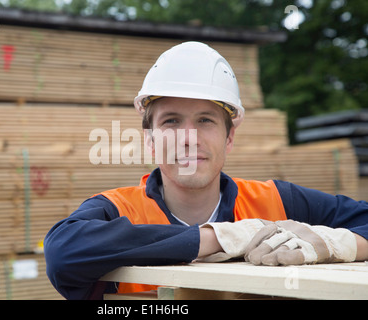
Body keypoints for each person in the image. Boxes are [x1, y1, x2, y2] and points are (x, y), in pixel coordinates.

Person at [44, 41, 368, 300]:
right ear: (151, 140)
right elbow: (62, 253)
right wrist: (221, 238)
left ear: (229, 138)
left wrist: (334, 243)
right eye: (171, 121)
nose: (189, 138)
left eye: (205, 120)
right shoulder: (117, 209)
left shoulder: (275, 202)